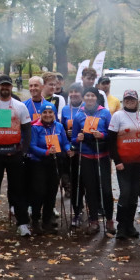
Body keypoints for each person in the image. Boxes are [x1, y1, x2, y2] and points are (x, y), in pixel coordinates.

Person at [0, 75, 33, 237]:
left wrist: (23, 151)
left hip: (14, 153)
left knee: (18, 189)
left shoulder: (20, 106)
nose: (5, 88)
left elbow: (27, 130)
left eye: (8, 86)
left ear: (11, 87)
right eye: (2, 85)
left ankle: (22, 223)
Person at [71, 88, 113, 235]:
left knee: (106, 189)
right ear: (83, 97)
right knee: (91, 189)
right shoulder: (79, 115)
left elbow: (111, 133)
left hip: (102, 155)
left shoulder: (105, 113)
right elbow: (73, 139)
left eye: (92, 95)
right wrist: (78, 139)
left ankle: (109, 220)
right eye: (87, 95)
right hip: (87, 156)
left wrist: (101, 135)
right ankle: (93, 220)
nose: (89, 98)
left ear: (96, 98)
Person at [109, 89, 140, 240]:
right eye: (127, 99)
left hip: (139, 163)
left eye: (133, 99)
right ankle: (121, 227)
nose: (130, 101)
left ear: (137, 101)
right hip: (123, 163)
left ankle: (130, 225)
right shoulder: (117, 115)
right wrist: (117, 161)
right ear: (123, 100)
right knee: (125, 194)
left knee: (134, 195)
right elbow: (111, 141)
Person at [28, 104, 71, 234]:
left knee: (52, 192)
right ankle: (35, 220)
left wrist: (69, 149)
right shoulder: (35, 127)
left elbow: (65, 142)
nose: (47, 115)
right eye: (45, 112)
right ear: (41, 114)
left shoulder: (58, 126)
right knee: (39, 192)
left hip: (55, 162)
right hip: (39, 163)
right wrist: (46, 152)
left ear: (54, 114)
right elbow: (32, 146)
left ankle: (47, 221)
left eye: (50, 112)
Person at [59, 83, 86, 229]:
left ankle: (85, 210)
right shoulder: (64, 109)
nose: (74, 94)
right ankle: (77, 211)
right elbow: (61, 129)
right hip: (69, 150)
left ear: (81, 94)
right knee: (74, 182)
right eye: (71, 91)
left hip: (85, 149)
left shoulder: (86, 108)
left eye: (77, 92)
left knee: (82, 183)